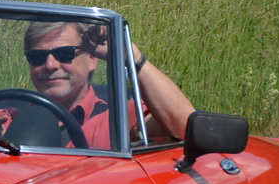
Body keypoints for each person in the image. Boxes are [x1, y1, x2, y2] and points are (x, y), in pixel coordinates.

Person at [13, 21, 195, 149]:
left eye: (65, 53)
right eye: (37, 57)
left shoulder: (118, 120)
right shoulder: (10, 118)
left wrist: (132, 59)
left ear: (92, 59)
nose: (50, 65)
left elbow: (185, 127)